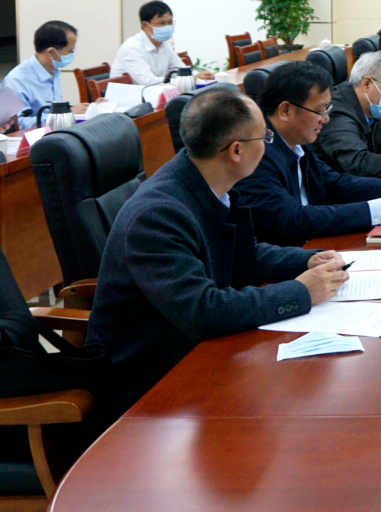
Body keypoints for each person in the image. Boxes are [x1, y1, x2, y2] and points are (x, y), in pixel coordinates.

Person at [88, 88, 349, 408]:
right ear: (236, 150)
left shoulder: (206, 183)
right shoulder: (157, 215)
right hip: (154, 382)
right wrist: (302, 292)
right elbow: (202, 311)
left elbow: (242, 255)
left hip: (198, 352)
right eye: (264, 137)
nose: (268, 145)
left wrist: (306, 261)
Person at [235, 61, 381, 245]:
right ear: (286, 110)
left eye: (327, 110)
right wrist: (376, 210)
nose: (326, 119)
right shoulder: (256, 153)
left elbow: (331, 183)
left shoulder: (296, 140)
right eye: (319, 111)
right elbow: (291, 220)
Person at [2, 19, 88, 129]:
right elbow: (18, 124)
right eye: (70, 51)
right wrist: (63, 115)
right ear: (51, 52)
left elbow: (53, 110)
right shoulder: (16, 80)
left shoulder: (53, 71)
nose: (72, 54)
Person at [113, 0, 212, 87]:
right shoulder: (132, 48)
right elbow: (148, 81)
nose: (167, 27)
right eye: (161, 23)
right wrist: (188, 80)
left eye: (170, 22)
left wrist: (199, 76)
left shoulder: (164, 44)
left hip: (153, 93)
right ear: (145, 25)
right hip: (129, 99)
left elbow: (179, 69)